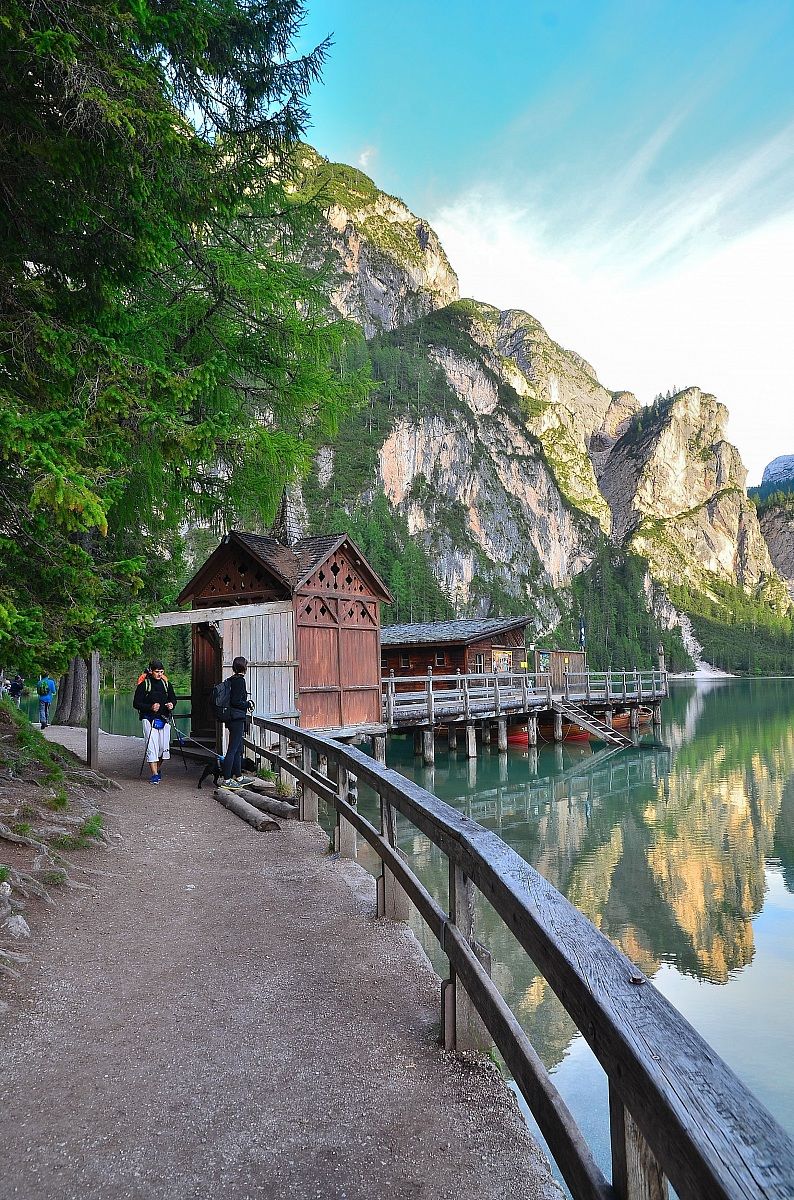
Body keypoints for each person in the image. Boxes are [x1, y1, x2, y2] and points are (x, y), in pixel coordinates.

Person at [133, 660, 177, 783]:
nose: (159, 674)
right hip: (149, 719)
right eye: (157, 672)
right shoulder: (144, 685)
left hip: (164, 719)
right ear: (151, 671)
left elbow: (173, 698)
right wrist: (150, 707)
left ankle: (157, 769)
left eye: (161, 672)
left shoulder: (166, 684)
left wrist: (171, 704)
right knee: (152, 747)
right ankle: (155, 774)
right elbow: (136, 703)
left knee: (163, 749)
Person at [220, 656, 255, 789]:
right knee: (233, 749)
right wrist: (247, 703)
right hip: (236, 718)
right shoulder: (240, 681)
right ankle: (227, 780)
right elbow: (236, 701)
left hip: (232, 718)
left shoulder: (231, 680)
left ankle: (238, 776)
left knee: (238, 749)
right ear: (243, 667)